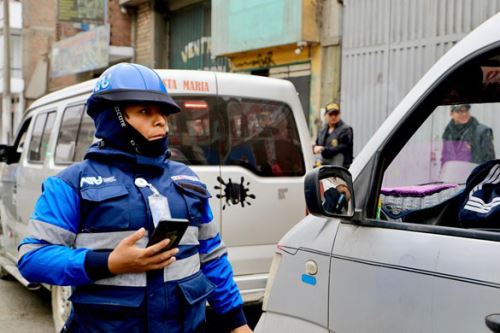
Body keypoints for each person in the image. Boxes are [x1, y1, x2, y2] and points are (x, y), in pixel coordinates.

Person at [17, 63, 252, 333]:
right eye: (144, 111)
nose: (160, 120)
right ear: (112, 115)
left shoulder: (187, 180)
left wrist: (237, 322)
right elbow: (32, 259)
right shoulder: (72, 184)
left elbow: (212, 257)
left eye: (162, 112)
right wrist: (107, 263)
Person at [313, 102, 353, 169]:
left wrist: (324, 149)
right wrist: (314, 148)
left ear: (339, 114)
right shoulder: (323, 130)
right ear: (325, 115)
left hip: (340, 168)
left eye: (336, 114)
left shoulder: (346, 129)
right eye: (331, 114)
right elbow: (317, 144)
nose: (333, 117)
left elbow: (342, 147)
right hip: (324, 166)